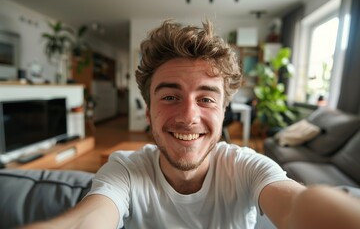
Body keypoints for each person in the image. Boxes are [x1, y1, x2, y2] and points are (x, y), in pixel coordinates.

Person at [23, 20, 360, 229]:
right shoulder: (125, 171)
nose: (189, 116)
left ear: (224, 108)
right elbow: (91, 218)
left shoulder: (246, 167)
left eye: (207, 98)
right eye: (170, 97)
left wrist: (321, 208)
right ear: (148, 107)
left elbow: (294, 206)